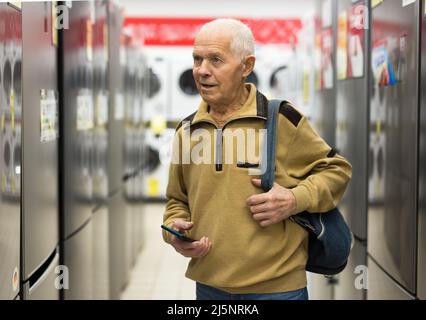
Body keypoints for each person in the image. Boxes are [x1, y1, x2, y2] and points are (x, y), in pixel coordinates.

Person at [162, 18, 352, 300]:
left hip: (277, 288)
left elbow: (337, 170)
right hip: (209, 286)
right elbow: (177, 201)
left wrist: (294, 199)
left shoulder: (280, 119)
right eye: (197, 59)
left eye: (216, 60)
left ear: (246, 66)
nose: (202, 71)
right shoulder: (187, 130)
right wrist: (174, 231)